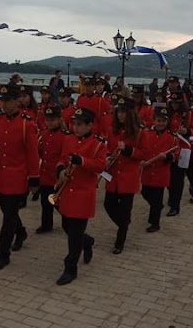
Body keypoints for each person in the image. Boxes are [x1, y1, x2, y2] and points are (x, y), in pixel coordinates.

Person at [0, 85, 40, 272]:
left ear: (17, 101)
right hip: (1, 175)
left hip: (18, 176)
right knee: (7, 212)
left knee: (8, 217)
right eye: (1, 100)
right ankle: (21, 232)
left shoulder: (27, 124)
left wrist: (34, 178)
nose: (3, 104)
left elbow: (33, 153)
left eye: (7, 100)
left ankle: (3, 254)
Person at [55, 107, 107, 285]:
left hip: (83, 194)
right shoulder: (68, 139)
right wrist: (61, 171)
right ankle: (87, 241)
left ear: (90, 125)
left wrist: (82, 161)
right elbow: (62, 159)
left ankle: (70, 269)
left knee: (74, 234)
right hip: (67, 192)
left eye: (79, 125)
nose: (75, 128)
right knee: (66, 226)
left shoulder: (98, 144)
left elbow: (100, 166)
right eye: (74, 124)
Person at [104, 97, 147, 254]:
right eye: (118, 112)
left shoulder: (140, 132)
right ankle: (124, 224)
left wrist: (128, 150)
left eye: (123, 112)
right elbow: (108, 148)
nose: (120, 115)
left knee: (125, 209)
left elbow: (144, 153)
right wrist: (107, 157)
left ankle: (120, 241)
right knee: (108, 204)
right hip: (113, 175)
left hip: (128, 177)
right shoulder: (112, 130)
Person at [141, 107, 180, 232]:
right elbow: (141, 150)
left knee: (157, 198)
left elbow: (176, 155)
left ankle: (155, 223)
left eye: (163, 121)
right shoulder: (146, 134)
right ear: (154, 121)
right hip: (147, 171)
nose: (161, 123)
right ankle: (157, 206)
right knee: (145, 192)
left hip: (161, 173)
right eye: (158, 120)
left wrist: (167, 157)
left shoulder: (172, 137)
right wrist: (141, 161)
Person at [37, 106, 68, 233]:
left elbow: (65, 157)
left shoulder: (65, 137)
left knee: (58, 204)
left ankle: (70, 224)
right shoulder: (43, 134)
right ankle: (46, 225)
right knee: (45, 203)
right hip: (45, 175)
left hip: (56, 176)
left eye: (52, 120)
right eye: (47, 120)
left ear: (59, 120)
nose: (49, 123)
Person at [166, 92, 189, 216]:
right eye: (173, 103)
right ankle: (171, 197)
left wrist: (187, 131)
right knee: (169, 177)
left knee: (178, 179)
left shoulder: (187, 114)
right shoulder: (168, 113)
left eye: (177, 103)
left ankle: (175, 205)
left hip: (183, 148)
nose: (174, 105)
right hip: (170, 148)